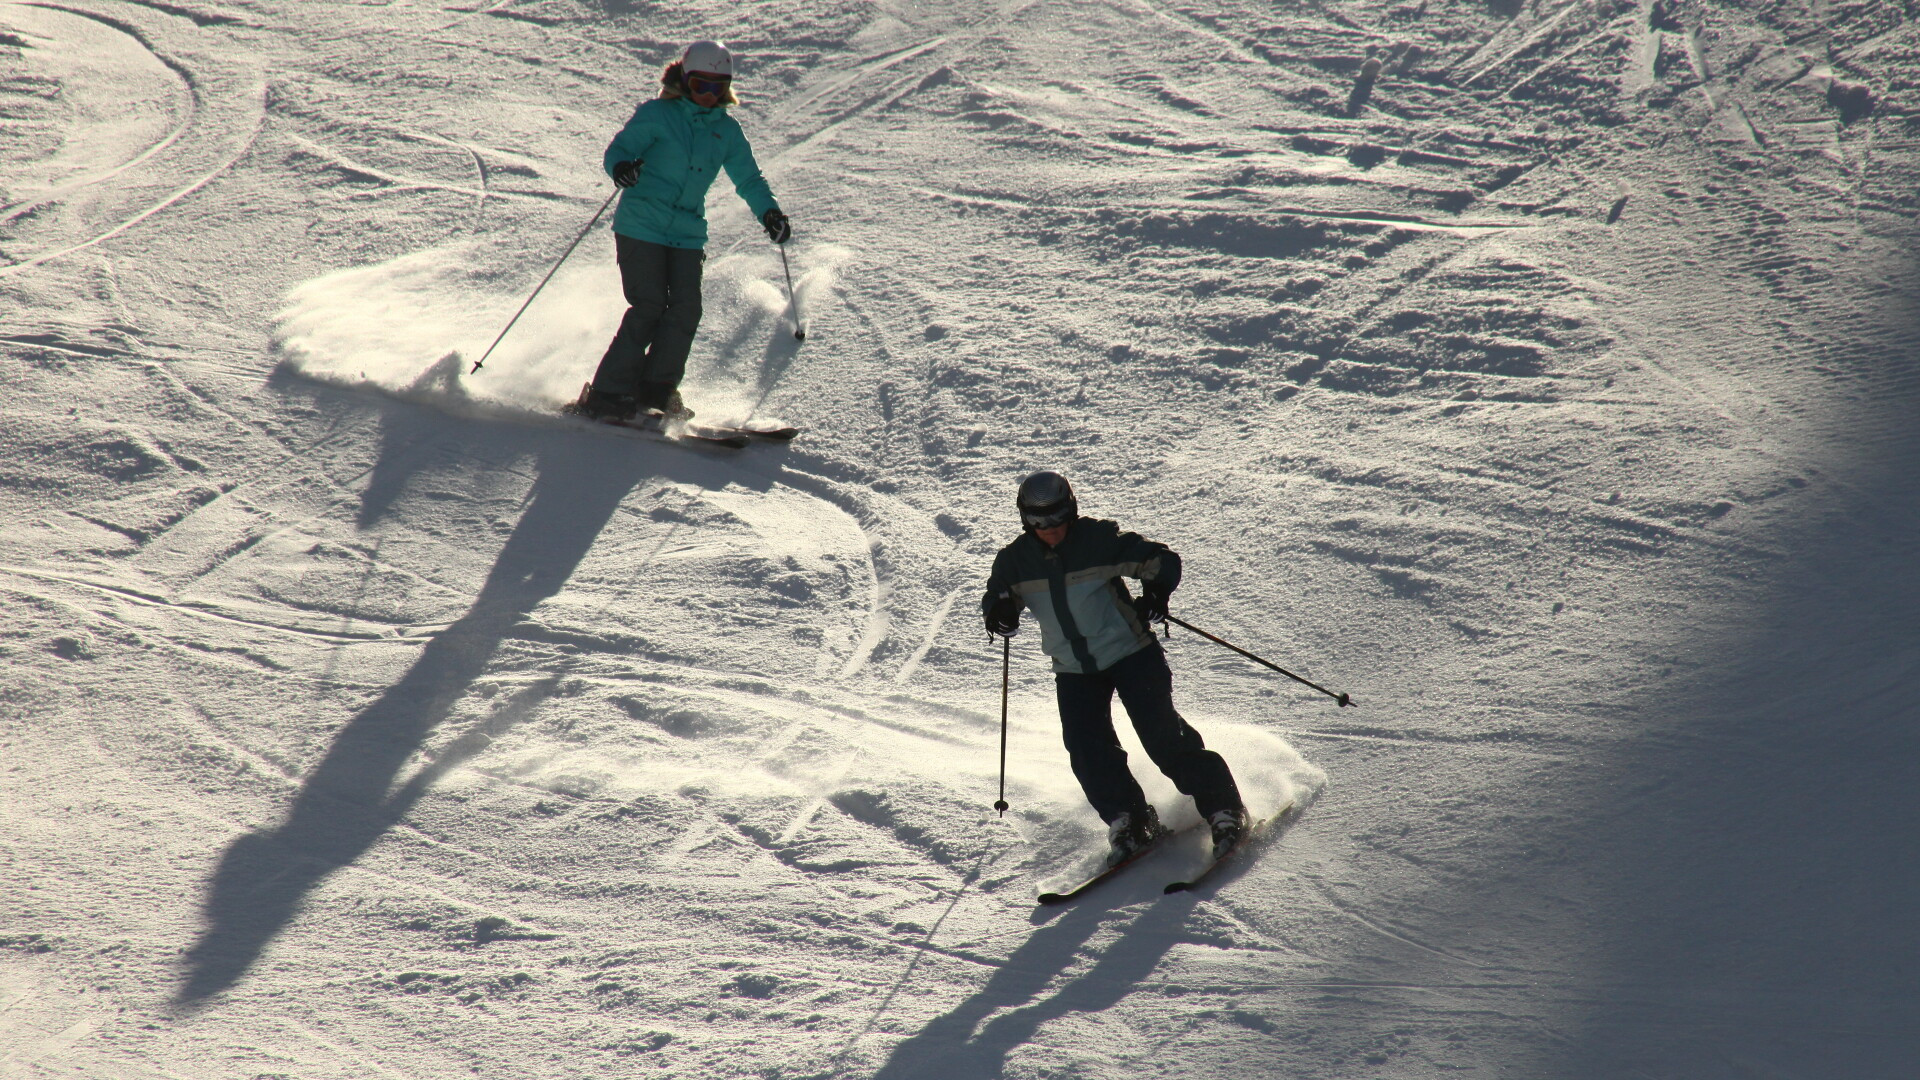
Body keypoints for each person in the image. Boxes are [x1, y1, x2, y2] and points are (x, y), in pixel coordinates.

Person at [982, 471, 1248, 865]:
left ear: (1071, 509)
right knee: (1087, 749)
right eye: (1038, 522)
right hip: (1073, 669)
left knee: (1162, 736)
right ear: (1024, 520)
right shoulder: (1015, 562)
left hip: (1131, 653)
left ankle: (1224, 809)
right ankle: (1131, 820)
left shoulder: (1097, 541)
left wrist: (1156, 592)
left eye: (1057, 517)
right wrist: (999, 614)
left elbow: (1162, 561)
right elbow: (997, 598)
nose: (1050, 529)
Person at [578, 40, 792, 423]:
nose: (709, 95)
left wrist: (770, 214)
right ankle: (608, 393)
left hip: (687, 233)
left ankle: (656, 392)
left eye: (718, 87)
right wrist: (622, 168)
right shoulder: (659, 115)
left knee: (686, 309)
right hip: (642, 225)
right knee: (649, 306)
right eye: (700, 85)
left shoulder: (726, 131)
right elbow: (620, 149)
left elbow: (749, 179)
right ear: (684, 80)